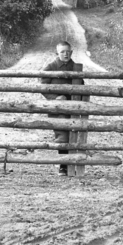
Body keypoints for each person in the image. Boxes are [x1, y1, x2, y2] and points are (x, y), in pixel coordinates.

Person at [42, 41, 86, 177]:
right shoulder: (51, 67)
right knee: (62, 136)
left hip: (73, 108)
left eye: (68, 51)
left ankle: (72, 164)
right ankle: (63, 165)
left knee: (74, 136)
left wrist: (79, 99)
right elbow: (43, 87)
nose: (66, 54)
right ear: (57, 53)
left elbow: (82, 85)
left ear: (71, 52)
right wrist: (55, 97)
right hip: (58, 109)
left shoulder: (76, 67)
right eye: (62, 52)